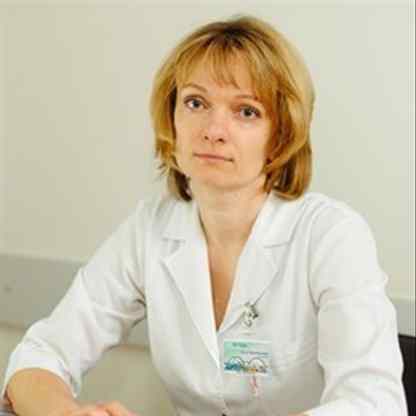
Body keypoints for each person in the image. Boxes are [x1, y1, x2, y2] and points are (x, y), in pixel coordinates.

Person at [1, 14, 408, 416]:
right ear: (172, 119)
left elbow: (376, 404)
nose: (213, 130)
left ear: (280, 135)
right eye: (196, 103)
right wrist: (67, 414)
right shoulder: (151, 230)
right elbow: (40, 356)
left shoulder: (331, 235)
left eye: (246, 111)